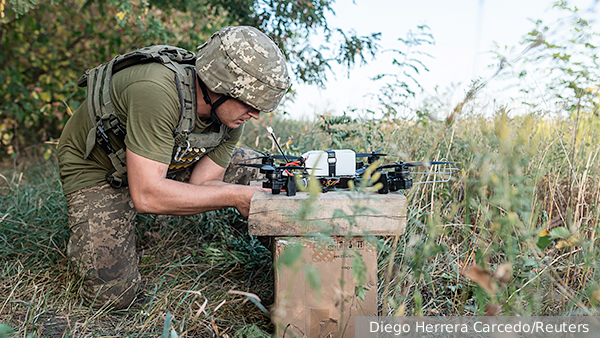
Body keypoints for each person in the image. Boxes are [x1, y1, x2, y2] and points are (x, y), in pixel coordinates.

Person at [57, 26, 291, 309]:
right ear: (219, 85)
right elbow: (146, 196)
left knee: (269, 175)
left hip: (167, 155)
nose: (255, 114)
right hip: (100, 167)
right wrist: (237, 196)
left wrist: (244, 192)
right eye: (250, 104)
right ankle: (90, 233)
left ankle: (297, 265)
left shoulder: (229, 115)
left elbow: (204, 184)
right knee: (114, 299)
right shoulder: (156, 90)